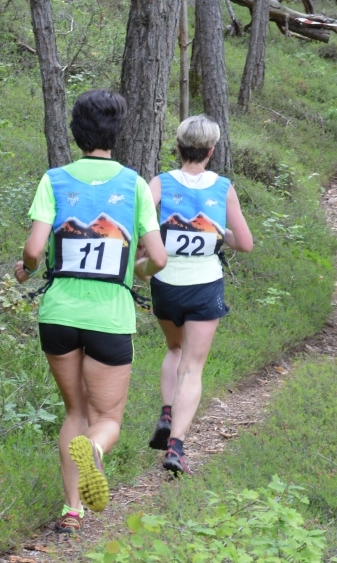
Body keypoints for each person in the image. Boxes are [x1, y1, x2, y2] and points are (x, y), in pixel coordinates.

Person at [14, 90, 167, 533]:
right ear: (116, 133)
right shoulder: (134, 184)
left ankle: (72, 509)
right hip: (109, 316)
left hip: (58, 313)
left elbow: (33, 249)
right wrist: (139, 271)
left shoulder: (55, 179)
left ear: (75, 130)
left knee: (75, 413)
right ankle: (95, 451)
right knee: (106, 421)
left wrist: (24, 270)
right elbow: (158, 257)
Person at [146, 115, 253, 475]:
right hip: (206, 284)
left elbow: (138, 227)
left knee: (174, 349)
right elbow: (245, 243)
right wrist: (219, 230)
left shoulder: (158, 184)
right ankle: (175, 447)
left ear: (177, 148)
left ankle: (166, 412)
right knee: (193, 368)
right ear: (211, 150)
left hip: (165, 281)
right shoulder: (224, 188)